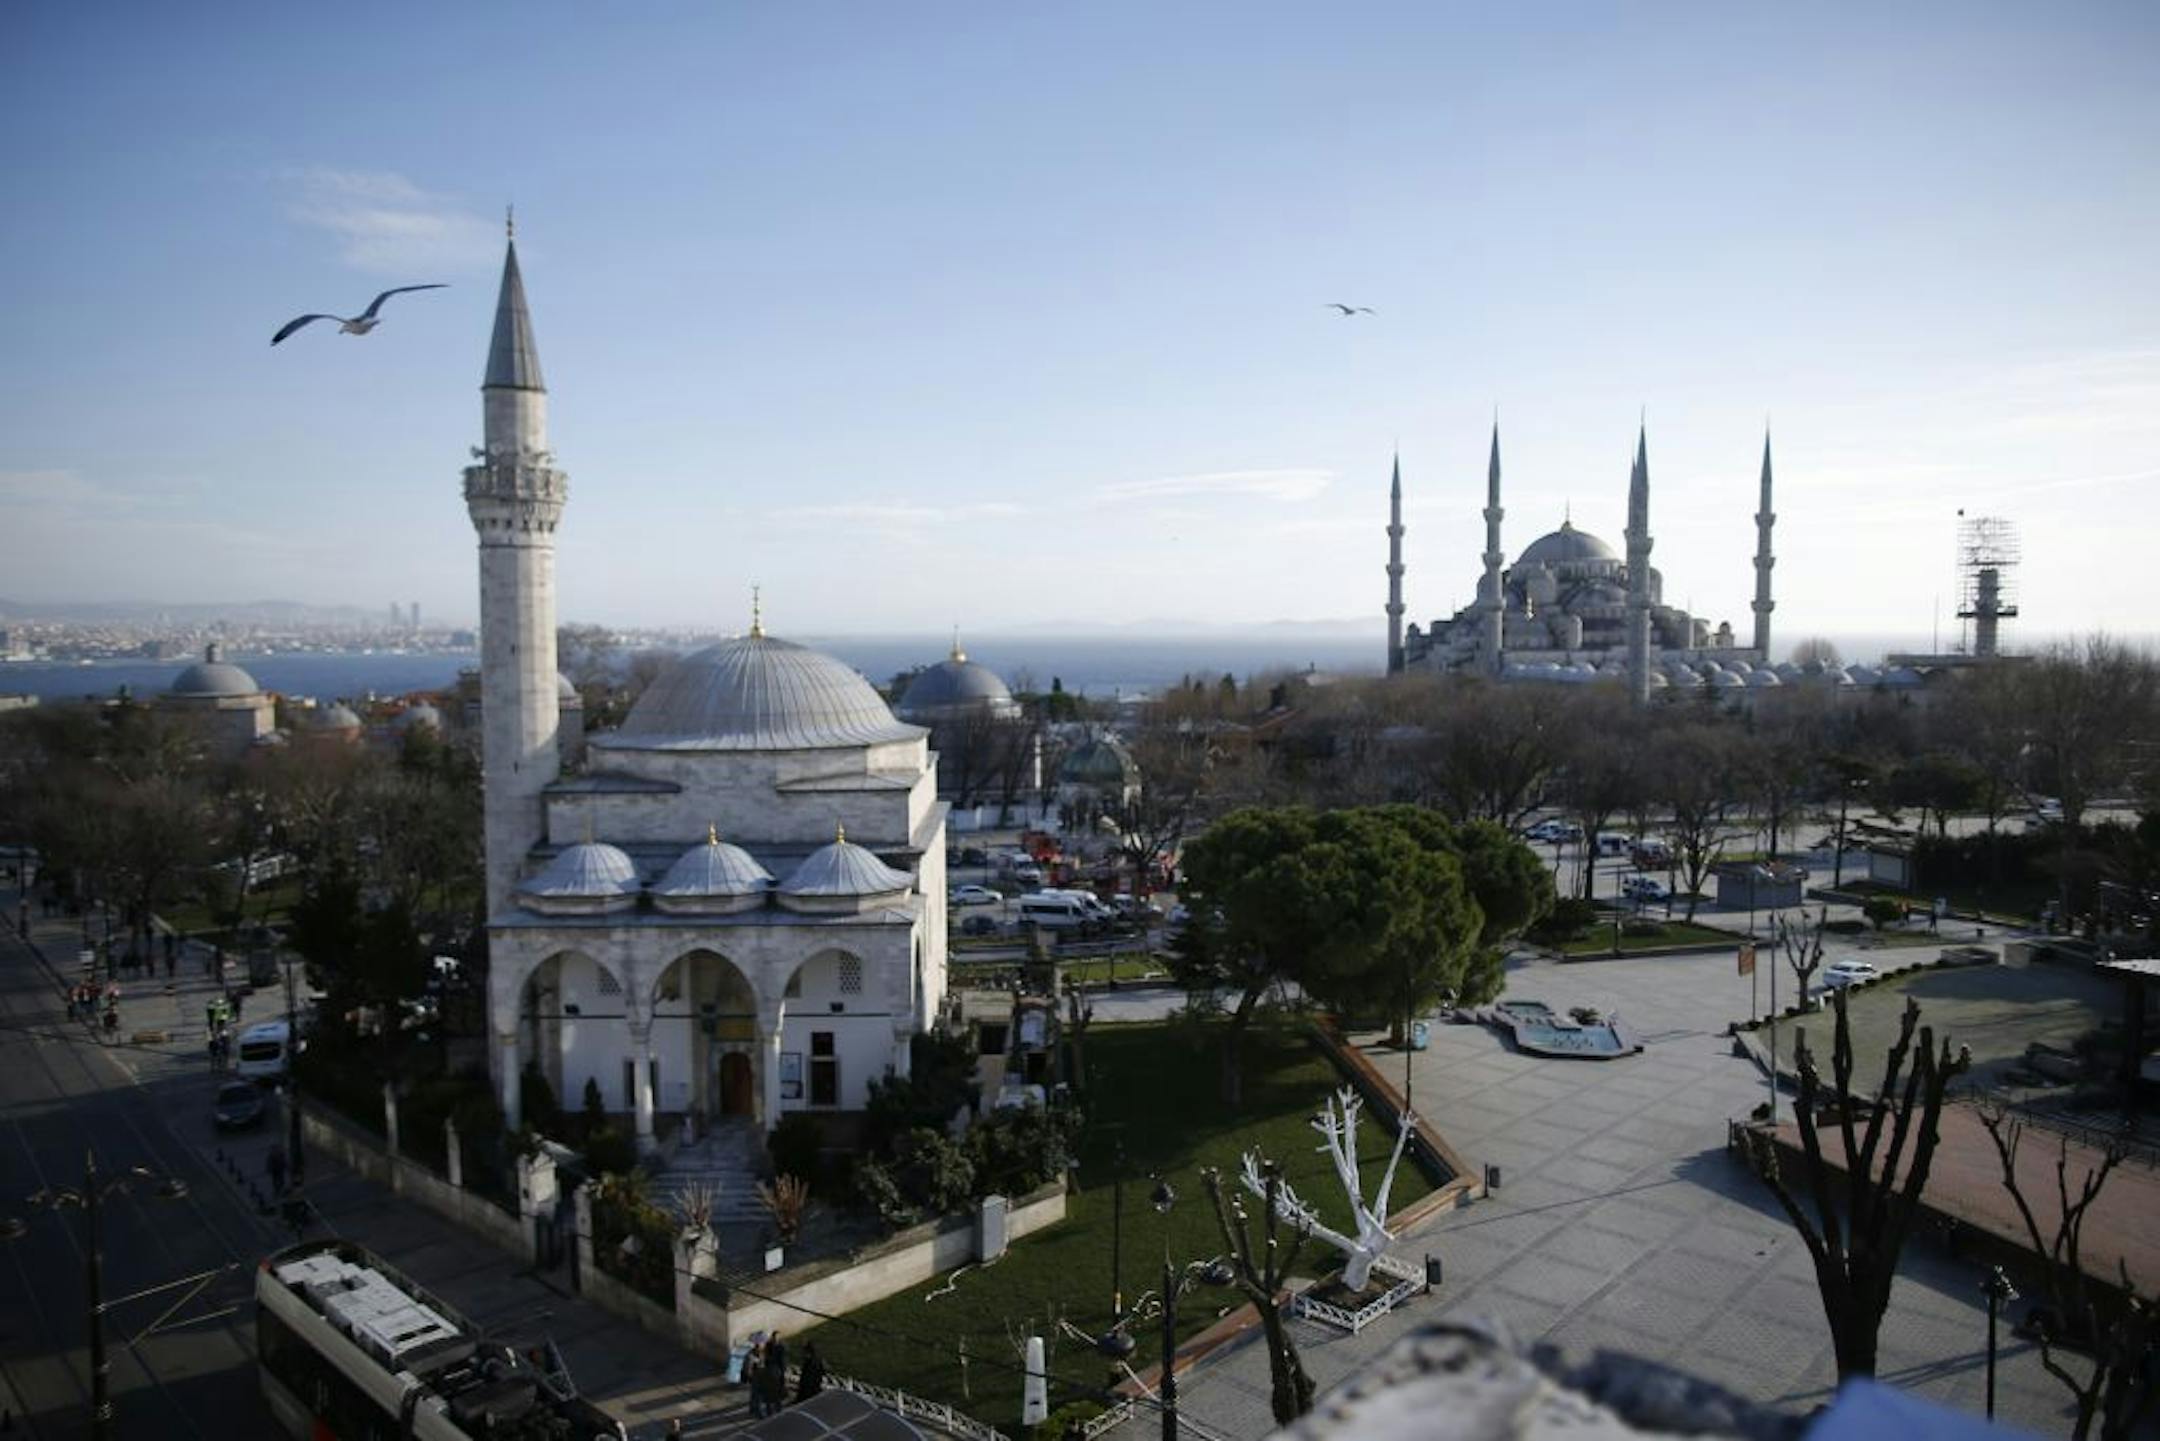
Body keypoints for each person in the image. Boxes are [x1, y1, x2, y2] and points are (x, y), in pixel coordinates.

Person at [758, 1335, 789, 1414]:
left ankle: (770, 1410)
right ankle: (778, 1409)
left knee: (769, 1395)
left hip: (769, 1374)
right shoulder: (776, 1354)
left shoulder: (767, 1357)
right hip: (775, 1374)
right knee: (776, 1394)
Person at [742, 1338, 768, 1419]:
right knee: (758, 1396)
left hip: (759, 1376)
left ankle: (752, 1409)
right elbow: (749, 1368)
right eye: (761, 1344)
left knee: (754, 1395)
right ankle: (759, 1413)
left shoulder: (760, 1353)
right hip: (756, 1377)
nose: (763, 1346)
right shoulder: (751, 1355)